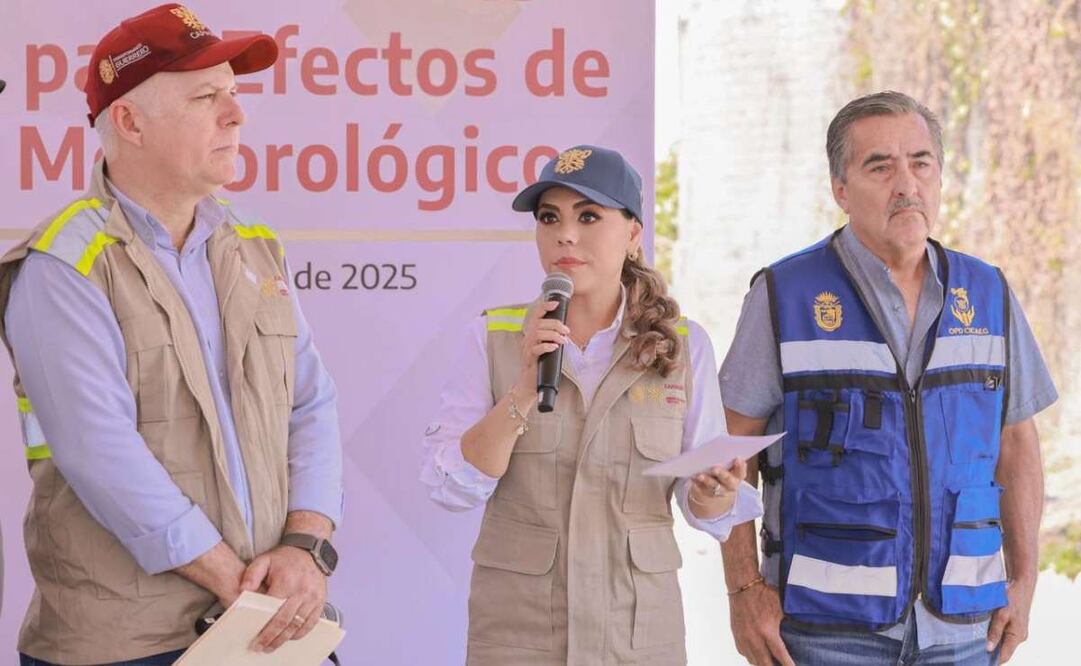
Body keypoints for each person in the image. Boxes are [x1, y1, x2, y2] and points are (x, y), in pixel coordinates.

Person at [0, 4, 343, 664]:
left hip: (263, 625)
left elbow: (312, 404)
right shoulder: (64, 265)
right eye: (206, 97)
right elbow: (97, 450)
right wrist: (237, 584)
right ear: (129, 122)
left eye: (235, 95)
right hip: (129, 646)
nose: (237, 114)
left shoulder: (252, 245)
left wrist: (304, 548)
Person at [719, 91, 1058, 666]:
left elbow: (1017, 445)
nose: (907, 183)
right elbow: (728, 454)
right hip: (825, 635)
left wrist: (1024, 582)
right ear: (841, 190)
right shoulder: (786, 295)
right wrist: (745, 591)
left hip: (963, 631)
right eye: (881, 166)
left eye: (921, 162)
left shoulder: (988, 293)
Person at [421, 144, 763, 664]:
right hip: (518, 638)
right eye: (549, 217)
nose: (565, 234)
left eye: (588, 216)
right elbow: (451, 486)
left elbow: (709, 511)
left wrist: (715, 491)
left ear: (632, 233)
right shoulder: (491, 336)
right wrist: (522, 387)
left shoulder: (680, 346)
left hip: (636, 637)